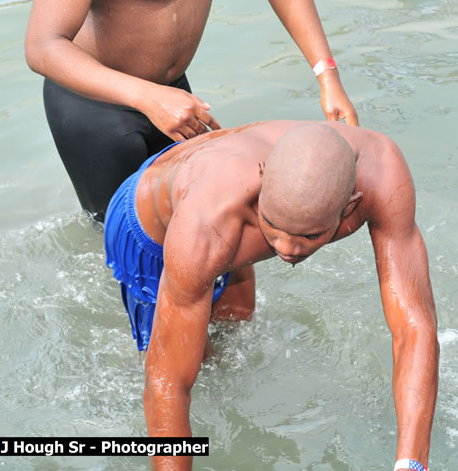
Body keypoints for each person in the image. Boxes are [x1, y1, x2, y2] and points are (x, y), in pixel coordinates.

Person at [104, 121, 438, 471]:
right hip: (148, 226)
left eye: (309, 236)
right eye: (273, 227)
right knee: (188, 363)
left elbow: (415, 325)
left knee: (236, 329)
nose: (287, 250)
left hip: (223, 206)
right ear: (262, 182)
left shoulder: (384, 175)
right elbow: (167, 381)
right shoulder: (208, 226)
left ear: (351, 206)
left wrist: (412, 463)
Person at [25, 0, 359, 221]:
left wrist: (327, 76)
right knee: (124, 245)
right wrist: (150, 99)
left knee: (204, 220)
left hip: (174, 98)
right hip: (94, 109)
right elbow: (43, 46)